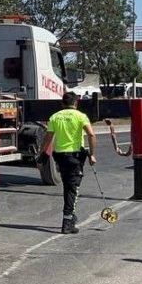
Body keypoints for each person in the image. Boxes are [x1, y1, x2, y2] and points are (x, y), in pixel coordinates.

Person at [41, 92, 97, 234]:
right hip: (75, 157)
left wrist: (42, 155)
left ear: (62, 104)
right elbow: (91, 134)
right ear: (76, 103)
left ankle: (71, 215)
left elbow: (48, 138)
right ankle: (67, 222)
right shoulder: (81, 116)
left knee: (67, 186)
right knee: (73, 189)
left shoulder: (55, 117)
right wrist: (92, 154)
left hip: (60, 157)